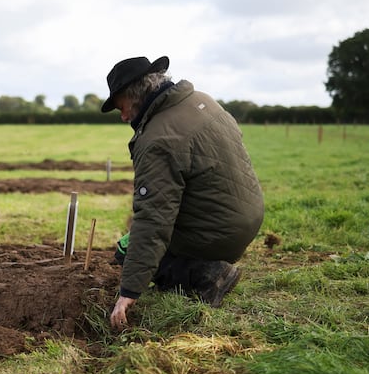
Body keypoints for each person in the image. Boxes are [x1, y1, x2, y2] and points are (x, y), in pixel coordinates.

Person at [102, 56, 264, 331]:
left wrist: (129, 291)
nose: (124, 117)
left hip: (219, 231)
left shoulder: (157, 139)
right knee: (141, 241)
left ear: (136, 95)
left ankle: (209, 276)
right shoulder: (202, 100)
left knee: (128, 249)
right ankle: (200, 267)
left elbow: (153, 219)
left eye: (123, 107)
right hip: (247, 216)